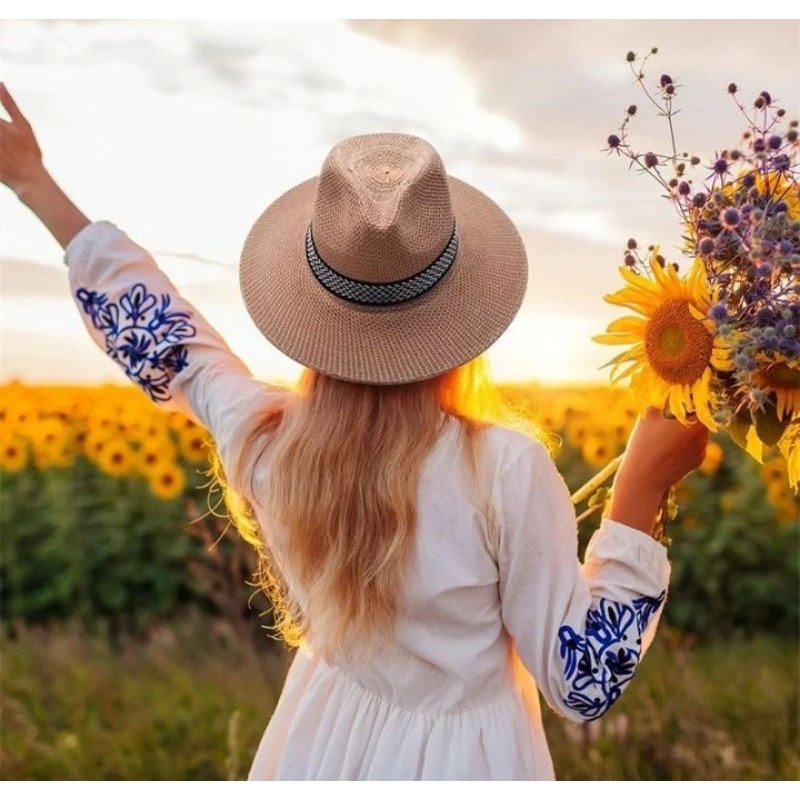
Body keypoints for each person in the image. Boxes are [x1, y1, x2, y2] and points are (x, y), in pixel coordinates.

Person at [0, 83, 709, 781]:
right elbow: (580, 683)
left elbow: (161, 334)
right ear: (463, 312)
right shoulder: (502, 470)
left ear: (312, 308)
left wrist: (34, 184)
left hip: (319, 742)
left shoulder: (268, 441)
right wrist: (639, 491)